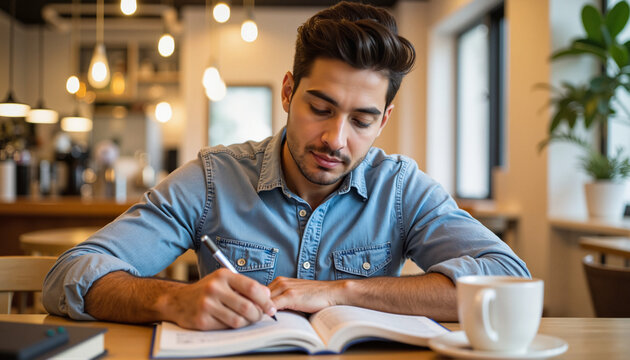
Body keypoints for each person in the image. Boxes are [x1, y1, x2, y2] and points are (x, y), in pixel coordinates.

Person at [43, 1, 529, 331]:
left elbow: (507, 277)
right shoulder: (214, 179)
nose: (335, 139)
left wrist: (341, 292)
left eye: (361, 120)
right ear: (287, 92)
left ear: (383, 121)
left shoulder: (401, 188)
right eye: (320, 108)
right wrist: (170, 300)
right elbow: (71, 274)